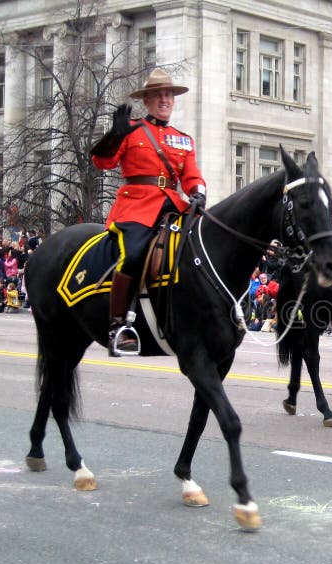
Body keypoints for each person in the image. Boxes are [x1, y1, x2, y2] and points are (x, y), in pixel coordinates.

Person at [91, 68, 206, 356]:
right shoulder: (131, 130)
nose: (165, 99)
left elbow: (191, 175)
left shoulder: (183, 139)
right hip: (137, 205)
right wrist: (114, 135)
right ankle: (118, 327)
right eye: (158, 95)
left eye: (169, 95)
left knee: (202, 248)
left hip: (174, 205)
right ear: (147, 100)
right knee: (133, 255)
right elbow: (102, 163)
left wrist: (198, 192)